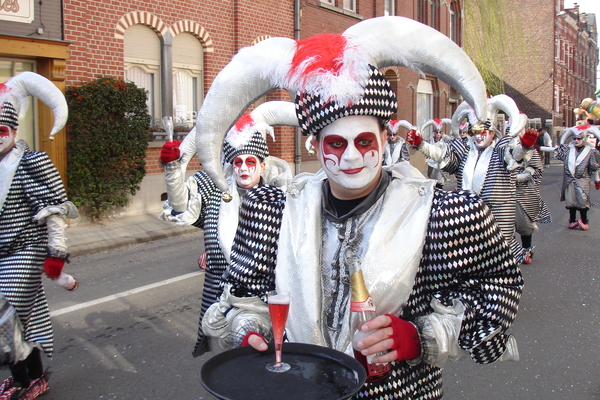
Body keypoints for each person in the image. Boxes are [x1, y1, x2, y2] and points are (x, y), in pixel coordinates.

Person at [197, 17, 523, 399]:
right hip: (299, 389)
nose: (351, 156)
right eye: (335, 144)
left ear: (385, 139)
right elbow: (244, 295)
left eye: (365, 139)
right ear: (315, 147)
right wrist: (249, 328)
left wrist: (419, 337)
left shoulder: (442, 214)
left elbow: (498, 284)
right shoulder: (273, 212)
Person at [158, 101, 297, 356]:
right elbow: (179, 205)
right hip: (219, 300)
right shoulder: (214, 191)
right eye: (238, 161)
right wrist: (173, 170)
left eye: (251, 161)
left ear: (263, 164)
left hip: (262, 306)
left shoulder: (280, 199)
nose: (243, 168)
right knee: (224, 366)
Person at [0, 72, 79, 398]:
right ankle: (28, 377)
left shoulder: (30, 162)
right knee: (20, 320)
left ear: (14, 131)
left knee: (4, 314)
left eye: (0, 130)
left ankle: (27, 377)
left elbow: (54, 211)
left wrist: (55, 255)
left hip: (26, 249)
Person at [407, 97, 539, 264]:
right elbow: (442, 155)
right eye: (475, 132)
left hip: (496, 218)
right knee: (467, 260)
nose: (478, 137)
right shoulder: (464, 149)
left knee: (497, 264)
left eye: (483, 132)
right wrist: (421, 145)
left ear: (492, 132)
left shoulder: (501, 149)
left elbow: (515, 155)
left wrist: (525, 146)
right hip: (469, 217)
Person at [514, 128, 552, 264]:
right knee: (504, 225)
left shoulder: (532, 153)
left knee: (525, 225)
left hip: (525, 193)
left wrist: (518, 177)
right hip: (506, 192)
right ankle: (508, 252)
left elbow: (536, 171)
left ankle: (526, 249)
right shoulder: (504, 151)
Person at [552, 123, 600, 230]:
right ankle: (572, 220)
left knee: (583, 201)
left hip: (582, 180)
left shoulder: (591, 152)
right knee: (571, 201)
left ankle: (583, 220)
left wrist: (597, 179)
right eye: (575, 138)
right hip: (569, 180)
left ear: (584, 139)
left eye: (579, 138)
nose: (576, 140)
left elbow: (594, 167)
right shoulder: (568, 149)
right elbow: (558, 152)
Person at [421, 118, 451, 189]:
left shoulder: (445, 142)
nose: (438, 134)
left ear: (442, 133)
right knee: (433, 183)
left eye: (440, 132)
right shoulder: (430, 142)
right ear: (434, 132)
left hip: (441, 165)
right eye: (436, 132)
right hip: (432, 165)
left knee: (440, 184)